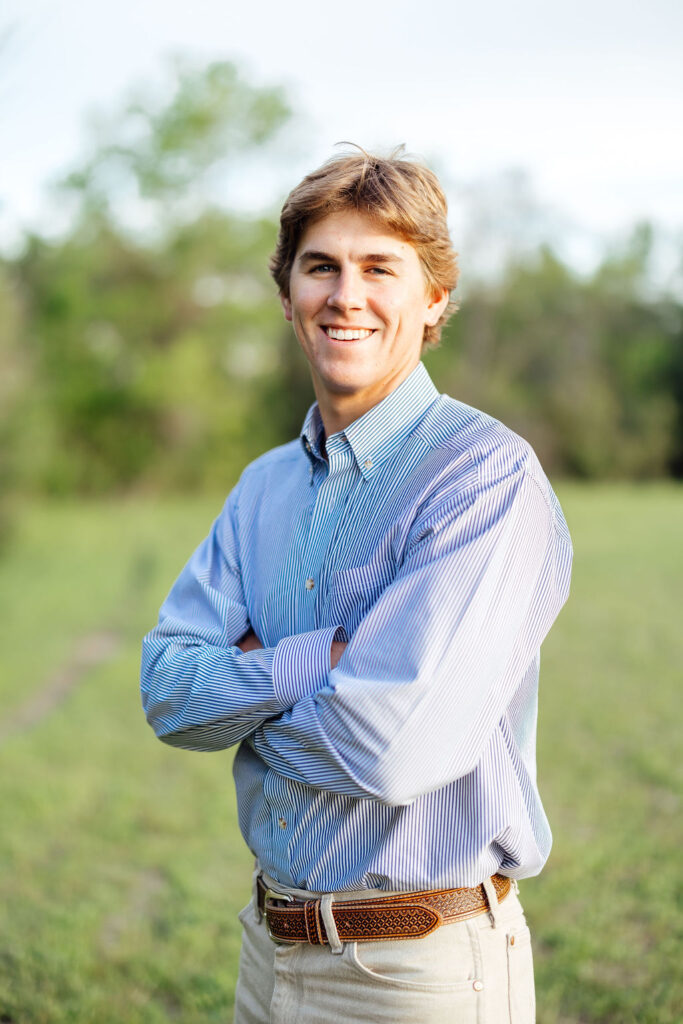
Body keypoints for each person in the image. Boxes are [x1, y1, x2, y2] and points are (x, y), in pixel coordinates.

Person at [141, 147, 572, 1023]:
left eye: (381, 268)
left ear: (433, 299)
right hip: (268, 952)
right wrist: (316, 664)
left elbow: (392, 749)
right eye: (321, 267)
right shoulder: (262, 486)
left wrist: (249, 696)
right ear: (288, 294)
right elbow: (167, 695)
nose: (347, 296)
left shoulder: (484, 480)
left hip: (419, 974)